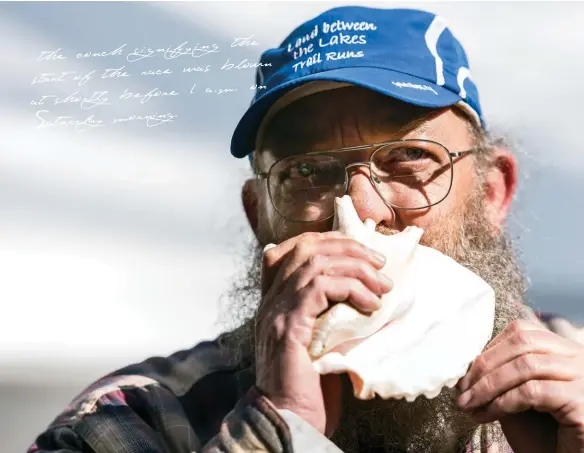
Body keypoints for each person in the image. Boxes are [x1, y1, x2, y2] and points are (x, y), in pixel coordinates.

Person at [28, 6, 584, 453]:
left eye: (411, 157)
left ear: (492, 192)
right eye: (308, 173)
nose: (363, 212)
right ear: (260, 217)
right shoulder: (129, 422)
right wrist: (279, 428)